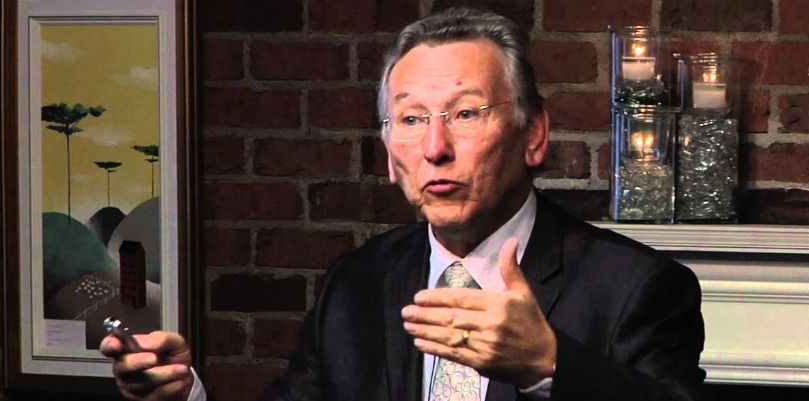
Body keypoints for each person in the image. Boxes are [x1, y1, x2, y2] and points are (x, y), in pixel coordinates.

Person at [101, 7, 707, 401]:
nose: (436, 148)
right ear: (391, 155)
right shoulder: (356, 285)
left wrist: (549, 365)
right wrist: (184, 394)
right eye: (412, 120)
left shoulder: (637, 287)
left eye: (465, 113)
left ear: (534, 134)